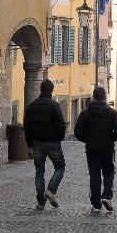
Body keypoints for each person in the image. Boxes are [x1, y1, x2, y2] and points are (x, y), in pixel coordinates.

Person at [74, 86, 117, 214]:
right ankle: (107, 196)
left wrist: (87, 139)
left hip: (92, 148)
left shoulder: (85, 113)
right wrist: (111, 138)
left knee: (94, 174)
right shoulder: (112, 113)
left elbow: (78, 132)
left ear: (93, 96)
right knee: (108, 172)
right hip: (107, 147)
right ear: (104, 97)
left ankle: (96, 205)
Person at [23, 78, 67, 210]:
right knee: (60, 166)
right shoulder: (55, 106)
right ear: (52, 90)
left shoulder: (32, 106)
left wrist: (29, 144)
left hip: (37, 142)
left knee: (39, 171)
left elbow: (27, 127)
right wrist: (59, 138)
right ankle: (51, 190)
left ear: (40, 89)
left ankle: (41, 202)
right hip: (52, 142)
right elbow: (61, 125)